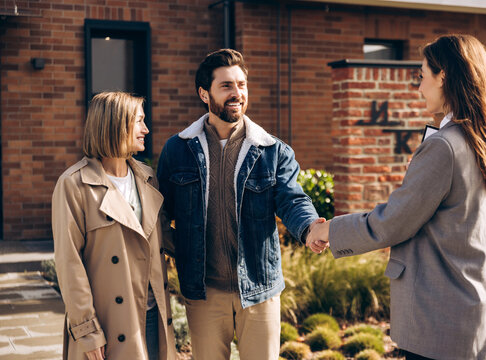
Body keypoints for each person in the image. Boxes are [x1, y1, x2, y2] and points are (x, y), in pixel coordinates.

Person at [307, 34, 486, 359]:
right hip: (481, 319)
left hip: (440, 323)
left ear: (443, 77)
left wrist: (327, 230)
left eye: (422, 77)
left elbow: (393, 222)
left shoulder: (445, 146)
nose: (418, 88)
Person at [157, 49, 322, 359]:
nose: (237, 94)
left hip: (259, 291)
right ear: (204, 93)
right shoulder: (176, 150)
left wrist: (310, 226)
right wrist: (180, 249)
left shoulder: (272, 150)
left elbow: (292, 199)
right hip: (203, 293)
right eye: (227, 86)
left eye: (242, 85)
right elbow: (159, 213)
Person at [52, 92, 176, 360]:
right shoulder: (74, 184)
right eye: (139, 121)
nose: (146, 129)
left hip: (153, 315)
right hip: (108, 323)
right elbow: (69, 263)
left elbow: (167, 239)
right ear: (115, 124)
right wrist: (87, 330)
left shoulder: (148, 178)